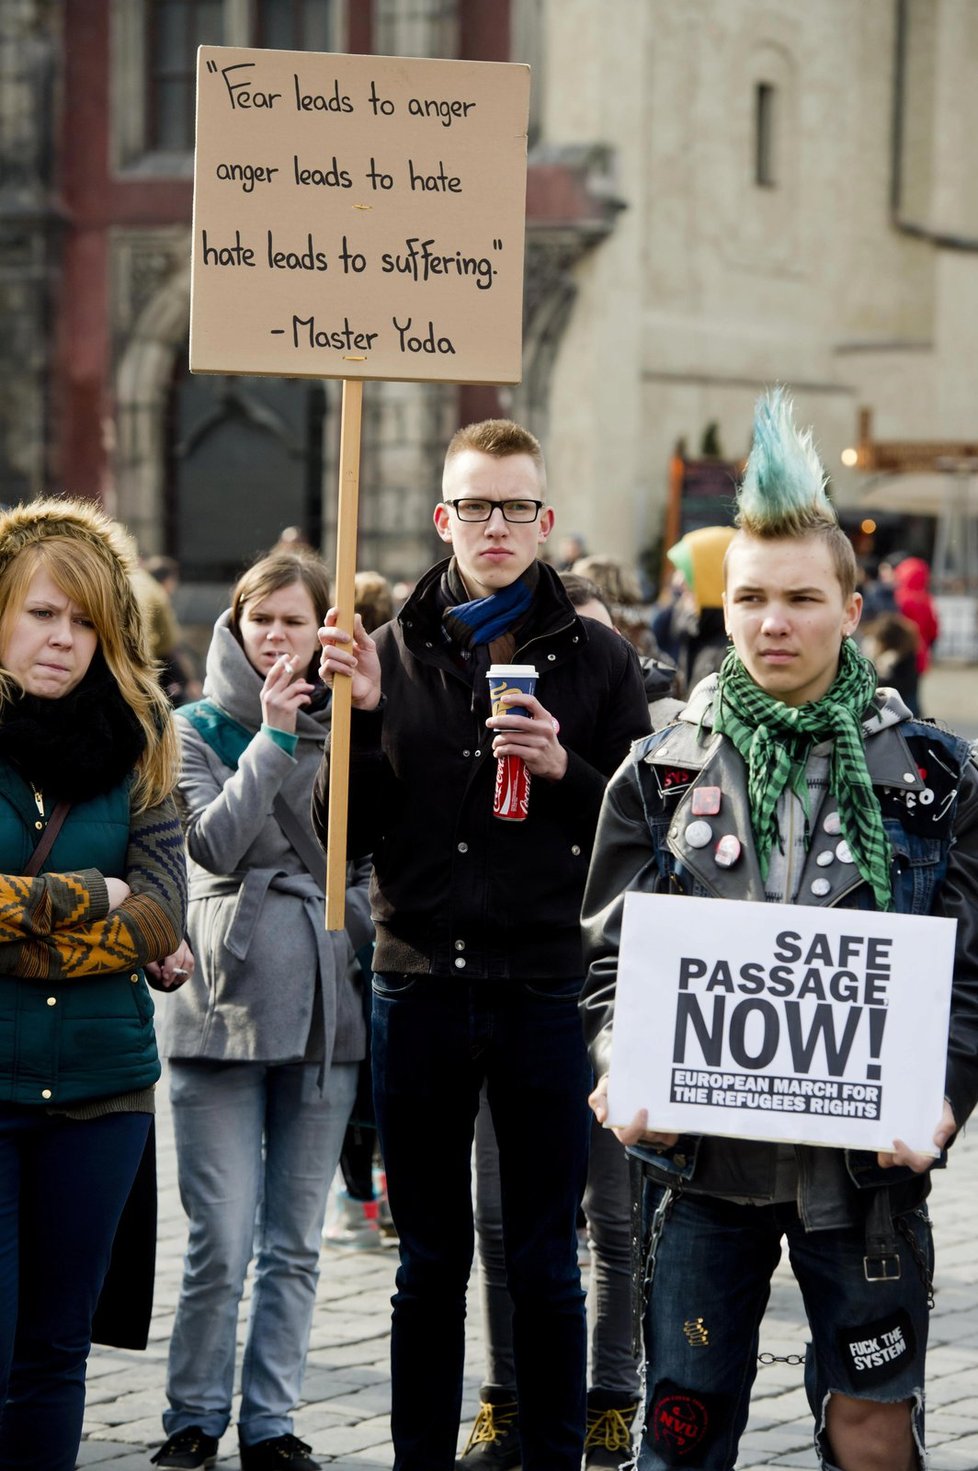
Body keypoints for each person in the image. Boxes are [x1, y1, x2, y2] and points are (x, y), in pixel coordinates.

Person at [580, 389, 978, 1471]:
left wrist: (941, 1095)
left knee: (872, 1432)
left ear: (853, 610)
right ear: (723, 606)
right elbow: (613, 961)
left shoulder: (933, 779)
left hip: (867, 1183)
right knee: (686, 1425)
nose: (772, 623)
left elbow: (971, 975)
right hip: (703, 1171)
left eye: (801, 598)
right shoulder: (660, 772)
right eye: (749, 598)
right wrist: (623, 1064)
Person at [315, 419, 651, 1471]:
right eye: (475, 506)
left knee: (547, 1259)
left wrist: (566, 774)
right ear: (441, 517)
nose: (494, 526)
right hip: (417, 985)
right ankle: (421, 1456)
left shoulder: (599, 659)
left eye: (515, 507)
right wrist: (360, 722)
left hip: (548, 988)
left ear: (545, 521)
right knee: (428, 1262)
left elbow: (648, 842)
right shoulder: (385, 653)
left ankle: (551, 1455)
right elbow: (346, 834)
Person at [152, 550, 373, 1471]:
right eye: (262, 620)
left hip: (325, 1004)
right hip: (223, 1002)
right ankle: (194, 1416)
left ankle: (272, 1423)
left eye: (296, 620)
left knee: (292, 1244)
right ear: (235, 628)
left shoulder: (357, 728)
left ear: (326, 629)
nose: (278, 637)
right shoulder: (190, 726)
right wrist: (275, 739)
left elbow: (364, 856)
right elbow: (210, 843)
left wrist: (352, 911)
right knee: (222, 1237)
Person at [0, 497, 188, 1471]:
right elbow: (120, 910)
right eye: (42, 613)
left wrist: (23, 918)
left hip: (101, 1093)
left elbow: (159, 913)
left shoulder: (144, 738)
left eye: (84, 620)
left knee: (53, 1353)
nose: (64, 638)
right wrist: (87, 892)